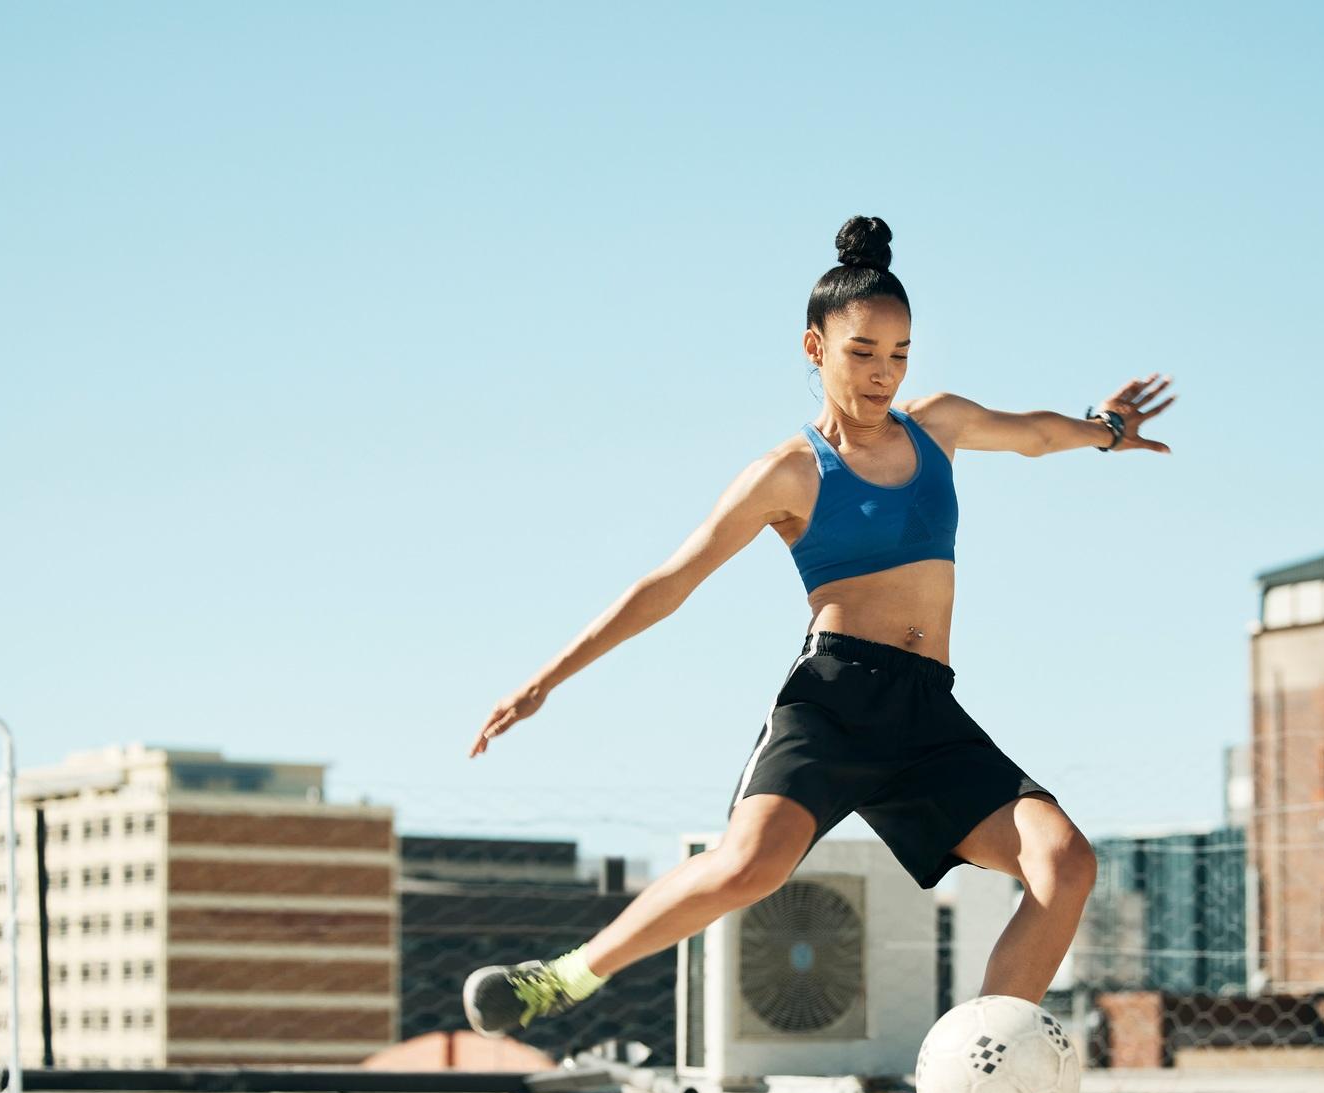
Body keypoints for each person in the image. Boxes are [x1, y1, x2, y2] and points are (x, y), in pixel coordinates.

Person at [460, 215, 1174, 1050]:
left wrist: (1106, 428)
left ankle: (974, 1082)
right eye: (863, 352)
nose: (883, 373)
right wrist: (547, 678)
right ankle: (562, 977)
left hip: (925, 713)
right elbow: (669, 582)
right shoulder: (790, 472)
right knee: (749, 866)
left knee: (1066, 864)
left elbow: (1036, 435)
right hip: (834, 702)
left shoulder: (936, 425)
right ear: (815, 346)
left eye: (900, 353)